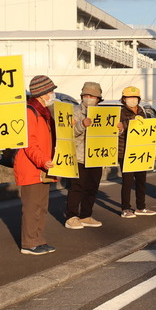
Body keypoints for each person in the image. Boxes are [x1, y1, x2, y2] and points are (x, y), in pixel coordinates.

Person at [14, 75, 58, 255]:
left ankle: (38, 240)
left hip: (42, 166)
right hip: (32, 167)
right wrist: (43, 160)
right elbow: (29, 143)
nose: (52, 94)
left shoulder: (43, 112)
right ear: (42, 93)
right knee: (32, 208)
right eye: (50, 91)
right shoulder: (30, 111)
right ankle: (29, 243)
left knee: (41, 207)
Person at [64, 81, 105, 229]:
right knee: (77, 186)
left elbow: (110, 136)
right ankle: (71, 216)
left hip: (97, 156)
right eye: (86, 95)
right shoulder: (74, 111)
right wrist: (82, 125)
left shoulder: (104, 114)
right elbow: (68, 132)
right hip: (79, 155)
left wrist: (118, 129)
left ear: (98, 99)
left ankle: (86, 215)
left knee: (92, 187)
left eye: (92, 96)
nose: (89, 98)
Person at [117, 86, 156, 218]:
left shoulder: (141, 111)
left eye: (135, 97)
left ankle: (141, 207)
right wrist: (129, 123)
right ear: (124, 99)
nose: (132, 100)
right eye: (129, 97)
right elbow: (118, 129)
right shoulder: (120, 112)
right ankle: (125, 208)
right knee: (127, 181)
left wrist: (152, 149)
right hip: (125, 152)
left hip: (140, 151)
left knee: (141, 180)